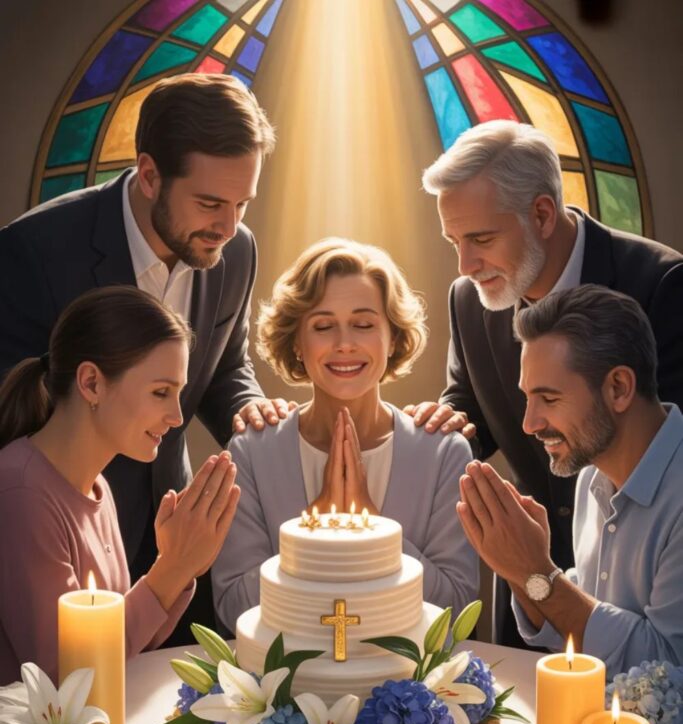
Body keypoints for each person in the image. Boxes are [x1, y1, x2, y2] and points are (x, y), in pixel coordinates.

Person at [0, 73, 281, 583]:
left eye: (243, 205)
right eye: (210, 203)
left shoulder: (237, 250)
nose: (227, 225)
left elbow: (224, 367)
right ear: (149, 175)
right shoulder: (32, 252)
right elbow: (10, 416)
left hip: (175, 541)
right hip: (57, 547)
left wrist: (249, 409)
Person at [421, 119, 683, 642]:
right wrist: (435, 430)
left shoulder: (662, 285)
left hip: (649, 581)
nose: (466, 264)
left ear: (541, 213)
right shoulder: (470, 299)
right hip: (530, 588)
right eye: (454, 241)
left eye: (480, 239)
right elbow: (472, 404)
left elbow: (664, 455)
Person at [211, 238, 479, 635]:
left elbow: (455, 612)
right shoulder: (251, 451)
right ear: (298, 344)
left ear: (393, 338)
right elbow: (233, 610)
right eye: (323, 326)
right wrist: (312, 534)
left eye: (364, 324)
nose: (344, 344)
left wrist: (371, 528)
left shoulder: (443, 452)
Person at [0, 286, 240, 685]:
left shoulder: (97, 487)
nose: (177, 416)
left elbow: (121, 648)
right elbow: (63, 679)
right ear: (92, 383)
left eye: (178, 393)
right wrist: (171, 568)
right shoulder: (21, 494)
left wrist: (179, 568)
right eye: (161, 392)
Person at [457, 285, 683, 677]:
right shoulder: (592, 474)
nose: (530, 423)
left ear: (619, 388)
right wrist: (518, 570)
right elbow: (591, 625)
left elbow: (666, 671)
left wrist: (535, 571)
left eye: (548, 398)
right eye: (527, 398)